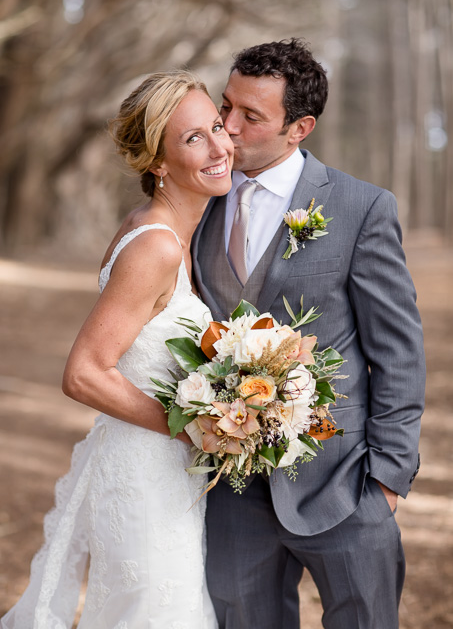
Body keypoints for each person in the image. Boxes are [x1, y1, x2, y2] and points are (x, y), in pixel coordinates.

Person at [192, 38, 425, 629]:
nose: (228, 127)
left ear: (300, 127)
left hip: (343, 481)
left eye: (252, 116)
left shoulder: (359, 207)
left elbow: (397, 350)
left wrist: (387, 479)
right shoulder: (199, 203)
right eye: (226, 107)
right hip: (232, 488)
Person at [1, 70, 233, 629]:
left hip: (161, 471)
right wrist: (193, 428)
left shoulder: (159, 229)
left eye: (217, 127)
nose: (220, 146)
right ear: (157, 162)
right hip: (148, 477)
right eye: (193, 138)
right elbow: (83, 373)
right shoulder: (154, 245)